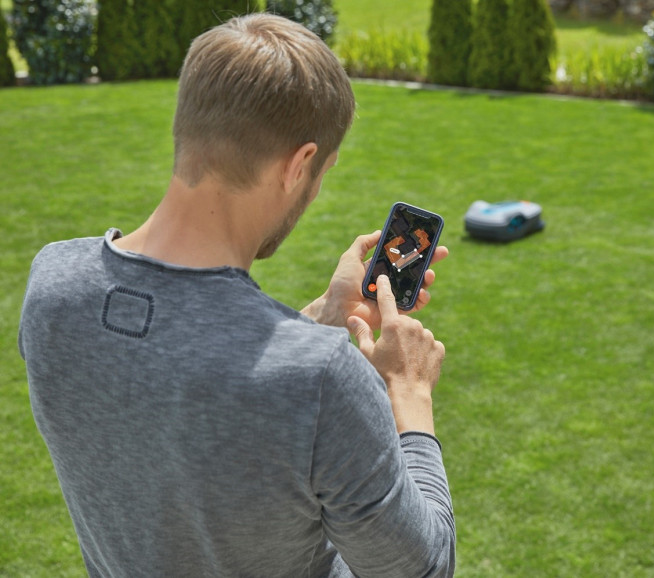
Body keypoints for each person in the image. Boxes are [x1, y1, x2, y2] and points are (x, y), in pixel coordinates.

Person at [18, 13, 455, 577]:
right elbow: (420, 569)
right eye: (322, 171)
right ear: (299, 165)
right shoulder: (321, 381)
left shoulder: (53, 285)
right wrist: (410, 393)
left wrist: (321, 317)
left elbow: (183, 359)